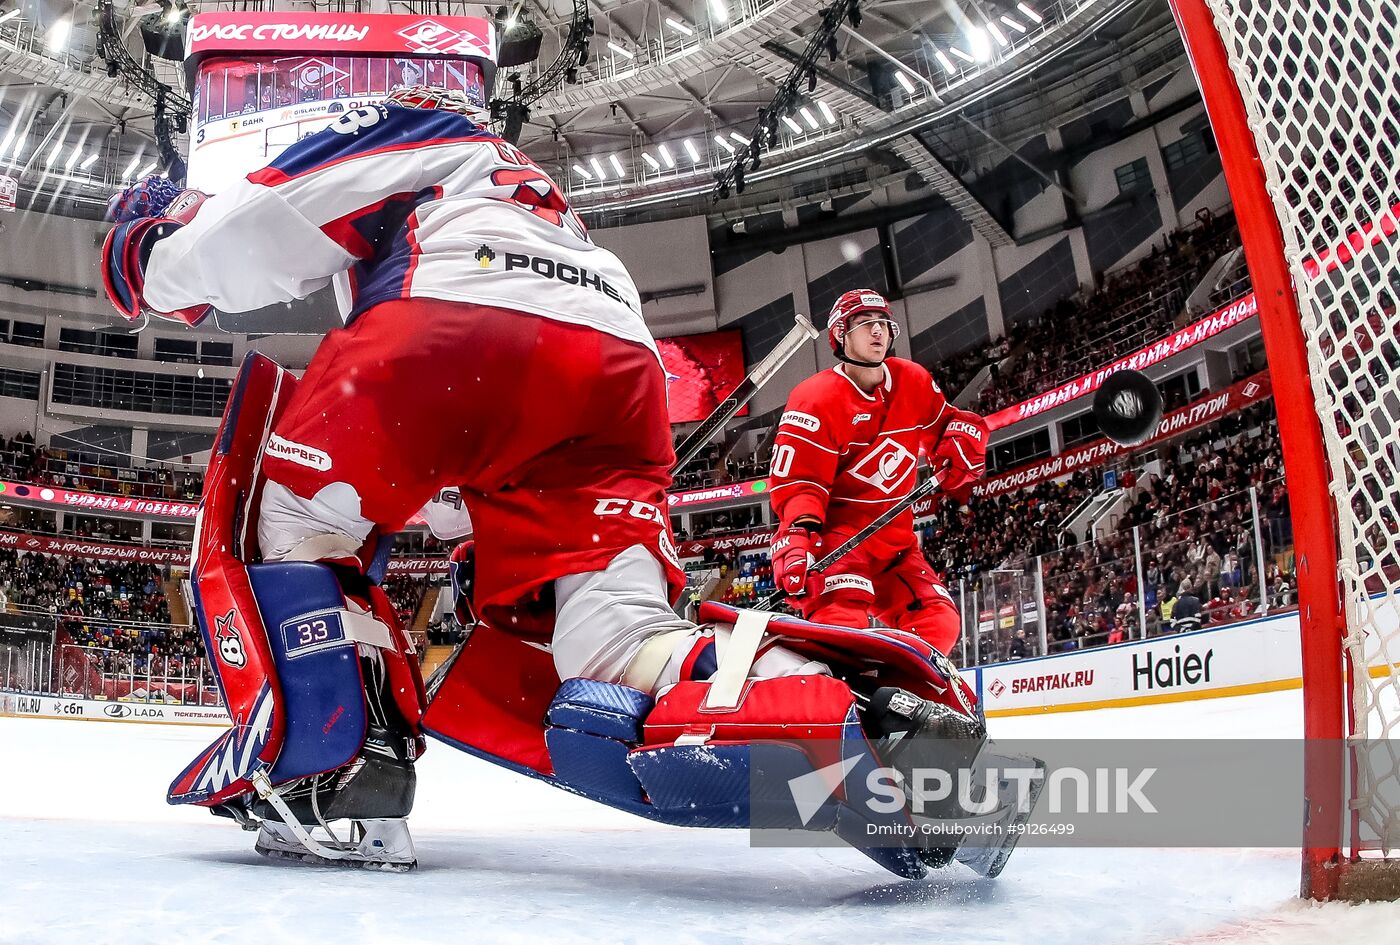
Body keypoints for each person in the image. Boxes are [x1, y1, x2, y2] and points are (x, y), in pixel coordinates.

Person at [101, 91, 989, 873]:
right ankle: (868, 716)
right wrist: (475, 534)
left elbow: (275, 220)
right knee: (613, 636)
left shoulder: (423, 125)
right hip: (616, 363)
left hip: (462, 315)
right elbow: (465, 466)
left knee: (295, 518)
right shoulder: (549, 201)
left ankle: (345, 772)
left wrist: (151, 260)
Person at [767, 289, 989, 657]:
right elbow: (800, 484)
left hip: (896, 545)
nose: (877, 331)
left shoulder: (912, 380)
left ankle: (898, 698)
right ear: (840, 334)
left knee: (938, 621)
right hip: (840, 541)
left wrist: (964, 439)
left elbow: (950, 425)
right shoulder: (815, 398)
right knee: (841, 623)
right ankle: (842, 702)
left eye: (883, 323)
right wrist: (797, 541)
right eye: (865, 323)